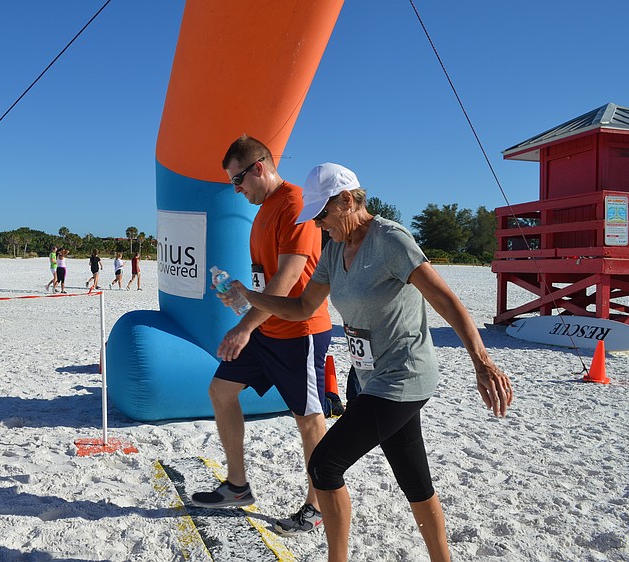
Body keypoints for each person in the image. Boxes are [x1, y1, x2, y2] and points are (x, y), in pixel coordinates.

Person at [218, 162, 514, 561]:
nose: (319, 224)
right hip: (369, 378)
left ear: (347, 200)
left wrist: (482, 361)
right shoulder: (335, 248)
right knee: (415, 481)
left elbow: (444, 298)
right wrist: (250, 297)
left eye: (323, 214)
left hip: (404, 376)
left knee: (324, 465)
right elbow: (304, 306)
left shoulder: (390, 240)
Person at [191, 135, 333, 537]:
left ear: (259, 167)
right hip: (266, 328)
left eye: (238, 180)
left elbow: (289, 281)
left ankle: (317, 506)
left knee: (308, 420)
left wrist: (242, 326)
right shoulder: (263, 209)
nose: (237, 190)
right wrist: (241, 299)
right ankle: (237, 486)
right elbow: (267, 280)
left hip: (299, 331)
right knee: (221, 391)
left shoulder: (295, 204)